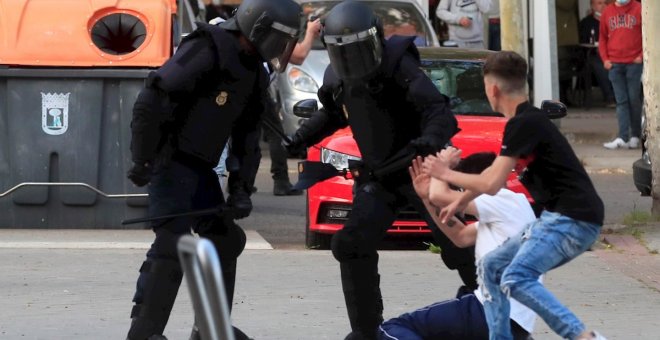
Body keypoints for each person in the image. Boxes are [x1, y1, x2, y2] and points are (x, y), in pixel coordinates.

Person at [286, 2, 478, 338]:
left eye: (357, 52)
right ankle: (367, 332)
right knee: (349, 244)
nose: (353, 63)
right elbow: (332, 114)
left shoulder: (398, 62)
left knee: (457, 245)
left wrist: (428, 140)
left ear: (373, 41)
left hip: (420, 171)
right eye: (344, 54)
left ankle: (497, 309)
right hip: (381, 177)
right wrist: (299, 138)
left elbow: (438, 111)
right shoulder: (336, 77)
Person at [125, 0, 302, 338]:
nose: (278, 48)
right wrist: (143, 158)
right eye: (276, 39)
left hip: (200, 168)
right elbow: (153, 95)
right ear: (257, 26)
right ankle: (144, 331)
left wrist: (240, 189)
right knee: (173, 244)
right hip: (169, 159)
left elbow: (247, 139)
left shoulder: (253, 70)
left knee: (225, 239)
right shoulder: (208, 48)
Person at [422, 51, 607, 340]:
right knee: (491, 266)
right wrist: (459, 199)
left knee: (516, 277)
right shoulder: (524, 122)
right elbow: (495, 173)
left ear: (492, 90)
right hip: (560, 217)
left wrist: (444, 173)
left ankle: (583, 337)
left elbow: (493, 184)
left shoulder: (525, 124)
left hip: (573, 220)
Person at [379, 152, 538, 340]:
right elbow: (460, 236)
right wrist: (426, 200)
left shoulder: (504, 199)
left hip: (488, 311)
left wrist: (442, 168)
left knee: (394, 327)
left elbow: (440, 194)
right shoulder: (512, 212)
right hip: (515, 323)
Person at [599, 0, 643, 150]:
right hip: (615, 64)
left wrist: (641, 56)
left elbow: (649, 34)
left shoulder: (639, 9)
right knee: (621, 101)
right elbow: (602, 37)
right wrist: (605, 59)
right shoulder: (608, 12)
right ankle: (623, 137)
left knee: (633, 99)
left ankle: (635, 135)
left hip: (634, 63)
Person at [578, 0, 616, 108]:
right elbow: (583, 41)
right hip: (592, 54)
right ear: (592, 6)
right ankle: (610, 97)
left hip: (612, 53)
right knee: (599, 65)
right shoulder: (586, 22)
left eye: (605, 3)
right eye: (599, 3)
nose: (603, 6)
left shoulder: (612, 20)